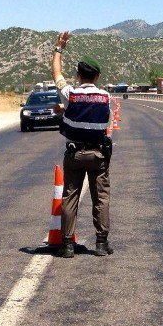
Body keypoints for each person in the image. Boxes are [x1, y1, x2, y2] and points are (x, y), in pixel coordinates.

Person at [51, 31, 114, 258]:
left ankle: (67, 245)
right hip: (98, 155)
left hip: (75, 154)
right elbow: (103, 122)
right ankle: (101, 243)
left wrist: (59, 47)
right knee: (101, 198)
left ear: (78, 75)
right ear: (97, 76)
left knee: (70, 196)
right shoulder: (106, 97)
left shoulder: (71, 94)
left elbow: (56, 73)